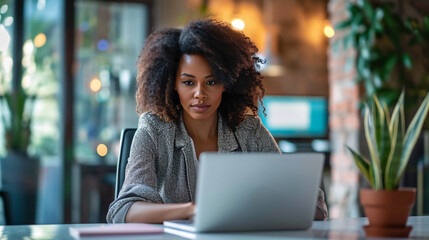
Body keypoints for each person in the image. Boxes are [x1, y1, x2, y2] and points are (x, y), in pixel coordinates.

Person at [106, 18, 328, 224]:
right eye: (188, 83)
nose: (200, 94)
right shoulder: (154, 129)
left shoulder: (249, 130)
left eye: (211, 83)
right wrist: (192, 210)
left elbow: (310, 205)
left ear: (227, 83)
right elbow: (123, 211)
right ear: (173, 84)